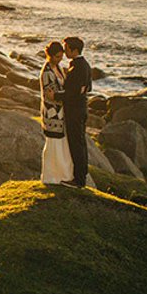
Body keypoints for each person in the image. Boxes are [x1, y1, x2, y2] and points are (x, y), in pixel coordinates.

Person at [59, 36, 92, 188]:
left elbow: (72, 92)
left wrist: (56, 95)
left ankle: (78, 180)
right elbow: (87, 87)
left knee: (76, 145)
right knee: (80, 143)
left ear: (74, 50)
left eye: (66, 49)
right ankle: (81, 176)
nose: (64, 51)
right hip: (81, 109)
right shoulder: (84, 64)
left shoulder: (78, 67)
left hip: (75, 111)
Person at [39, 41, 73, 184]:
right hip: (52, 113)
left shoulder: (57, 67)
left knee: (61, 144)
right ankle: (51, 176)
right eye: (57, 57)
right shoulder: (47, 71)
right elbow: (50, 95)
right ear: (50, 56)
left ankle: (63, 175)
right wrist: (68, 96)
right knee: (53, 144)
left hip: (60, 112)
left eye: (61, 56)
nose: (60, 59)